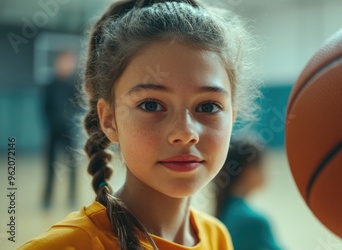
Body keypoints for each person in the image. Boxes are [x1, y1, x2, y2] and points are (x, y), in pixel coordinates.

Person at [20, 0, 258, 249]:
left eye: (208, 107)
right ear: (109, 119)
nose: (185, 133)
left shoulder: (217, 238)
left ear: (232, 116)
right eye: (151, 105)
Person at [215, 139, 283, 250]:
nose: (268, 172)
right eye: (262, 166)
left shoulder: (225, 213)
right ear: (249, 170)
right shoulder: (254, 222)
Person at [42, 50, 79, 210]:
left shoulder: (74, 84)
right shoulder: (50, 84)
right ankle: (47, 198)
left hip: (69, 131)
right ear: (58, 62)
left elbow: (78, 106)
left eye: (70, 62)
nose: (67, 65)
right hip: (53, 131)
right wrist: (52, 124)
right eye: (64, 61)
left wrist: (71, 122)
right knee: (50, 166)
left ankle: (72, 197)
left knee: (72, 166)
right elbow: (45, 108)